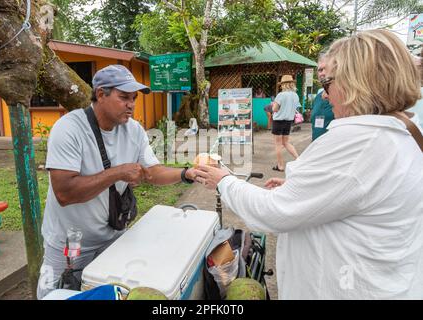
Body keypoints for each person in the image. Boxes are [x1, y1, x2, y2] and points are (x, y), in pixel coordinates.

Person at [195, 29, 423, 299]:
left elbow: (274, 212)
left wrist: (224, 181)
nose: (326, 96)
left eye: (328, 84)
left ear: (356, 83)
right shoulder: (402, 130)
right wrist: (302, 187)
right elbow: (352, 193)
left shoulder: (357, 142)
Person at [37, 65, 198, 299]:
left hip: (112, 236)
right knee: (54, 295)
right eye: (124, 97)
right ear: (101, 94)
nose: (131, 104)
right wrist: (119, 172)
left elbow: (152, 172)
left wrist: (187, 174)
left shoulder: (133, 130)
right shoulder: (69, 129)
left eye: (133, 98)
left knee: (114, 293)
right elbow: (65, 193)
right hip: (69, 245)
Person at [270, 75, 300, 172]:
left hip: (278, 121)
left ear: (283, 84)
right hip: (288, 121)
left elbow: (274, 109)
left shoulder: (281, 95)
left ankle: (280, 166)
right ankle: (299, 160)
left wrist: (273, 105)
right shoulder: (295, 95)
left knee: (278, 144)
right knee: (286, 142)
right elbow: (295, 108)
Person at [311, 52, 335, 141]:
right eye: (320, 70)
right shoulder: (317, 98)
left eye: (327, 69)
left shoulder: (342, 98)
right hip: (316, 148)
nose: (323, 73)